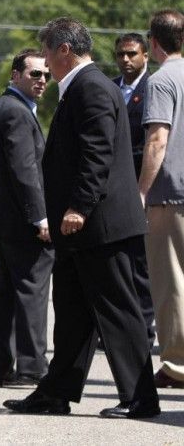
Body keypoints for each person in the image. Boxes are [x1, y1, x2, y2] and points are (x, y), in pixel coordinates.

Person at [4, 17, 159, 419]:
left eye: (47, 56)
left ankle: (141, 398)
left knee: (119, 311)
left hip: (99, 224)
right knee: (72, 312)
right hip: (84, 229)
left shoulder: (90, 87)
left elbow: (97, 152)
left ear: (63, 51)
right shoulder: (85, 87)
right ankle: (55, 392)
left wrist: (79, 207)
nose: (45, 66)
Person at [0, 49, 54, 388]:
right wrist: (40, 218)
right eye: (34, 74)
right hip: (22, 222)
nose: (42, 81)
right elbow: (24, 170)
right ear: (14, 74)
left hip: (5, 221)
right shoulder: (16, 112)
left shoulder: (4, 108)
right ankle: (33, 368)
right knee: (32, 291)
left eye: (46, 76)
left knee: (6, 292)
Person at [139, 9, 184, 390]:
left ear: (153, 41)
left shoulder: (162, 80)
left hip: (171, 196)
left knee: (172, 284)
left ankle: (176, 366)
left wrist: (140, 191)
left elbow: (157, 139)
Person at [111, 33, 156, 349]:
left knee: (141, 260)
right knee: (117, 259)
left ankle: (143, 326)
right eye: (120, 55)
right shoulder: (110, 87)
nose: (125, 60)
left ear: (145, 56)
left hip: (142, 183)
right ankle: (119, 326)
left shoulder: (153, 88)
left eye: (131, 54)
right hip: (113, 185)